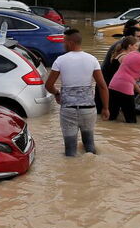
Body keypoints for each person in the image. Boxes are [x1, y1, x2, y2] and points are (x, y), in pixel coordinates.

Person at [45, 28, 109, 157]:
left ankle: (71, 173)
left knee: (70, 150)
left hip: (68, 110)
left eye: (64, 42)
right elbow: (102, 86)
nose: (63, 44)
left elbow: (48, 85)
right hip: (88, 109)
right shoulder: (92, 59)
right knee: (89, 145)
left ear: (70, 42)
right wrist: (106, 108)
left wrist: (57, 93)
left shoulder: (60, 60)